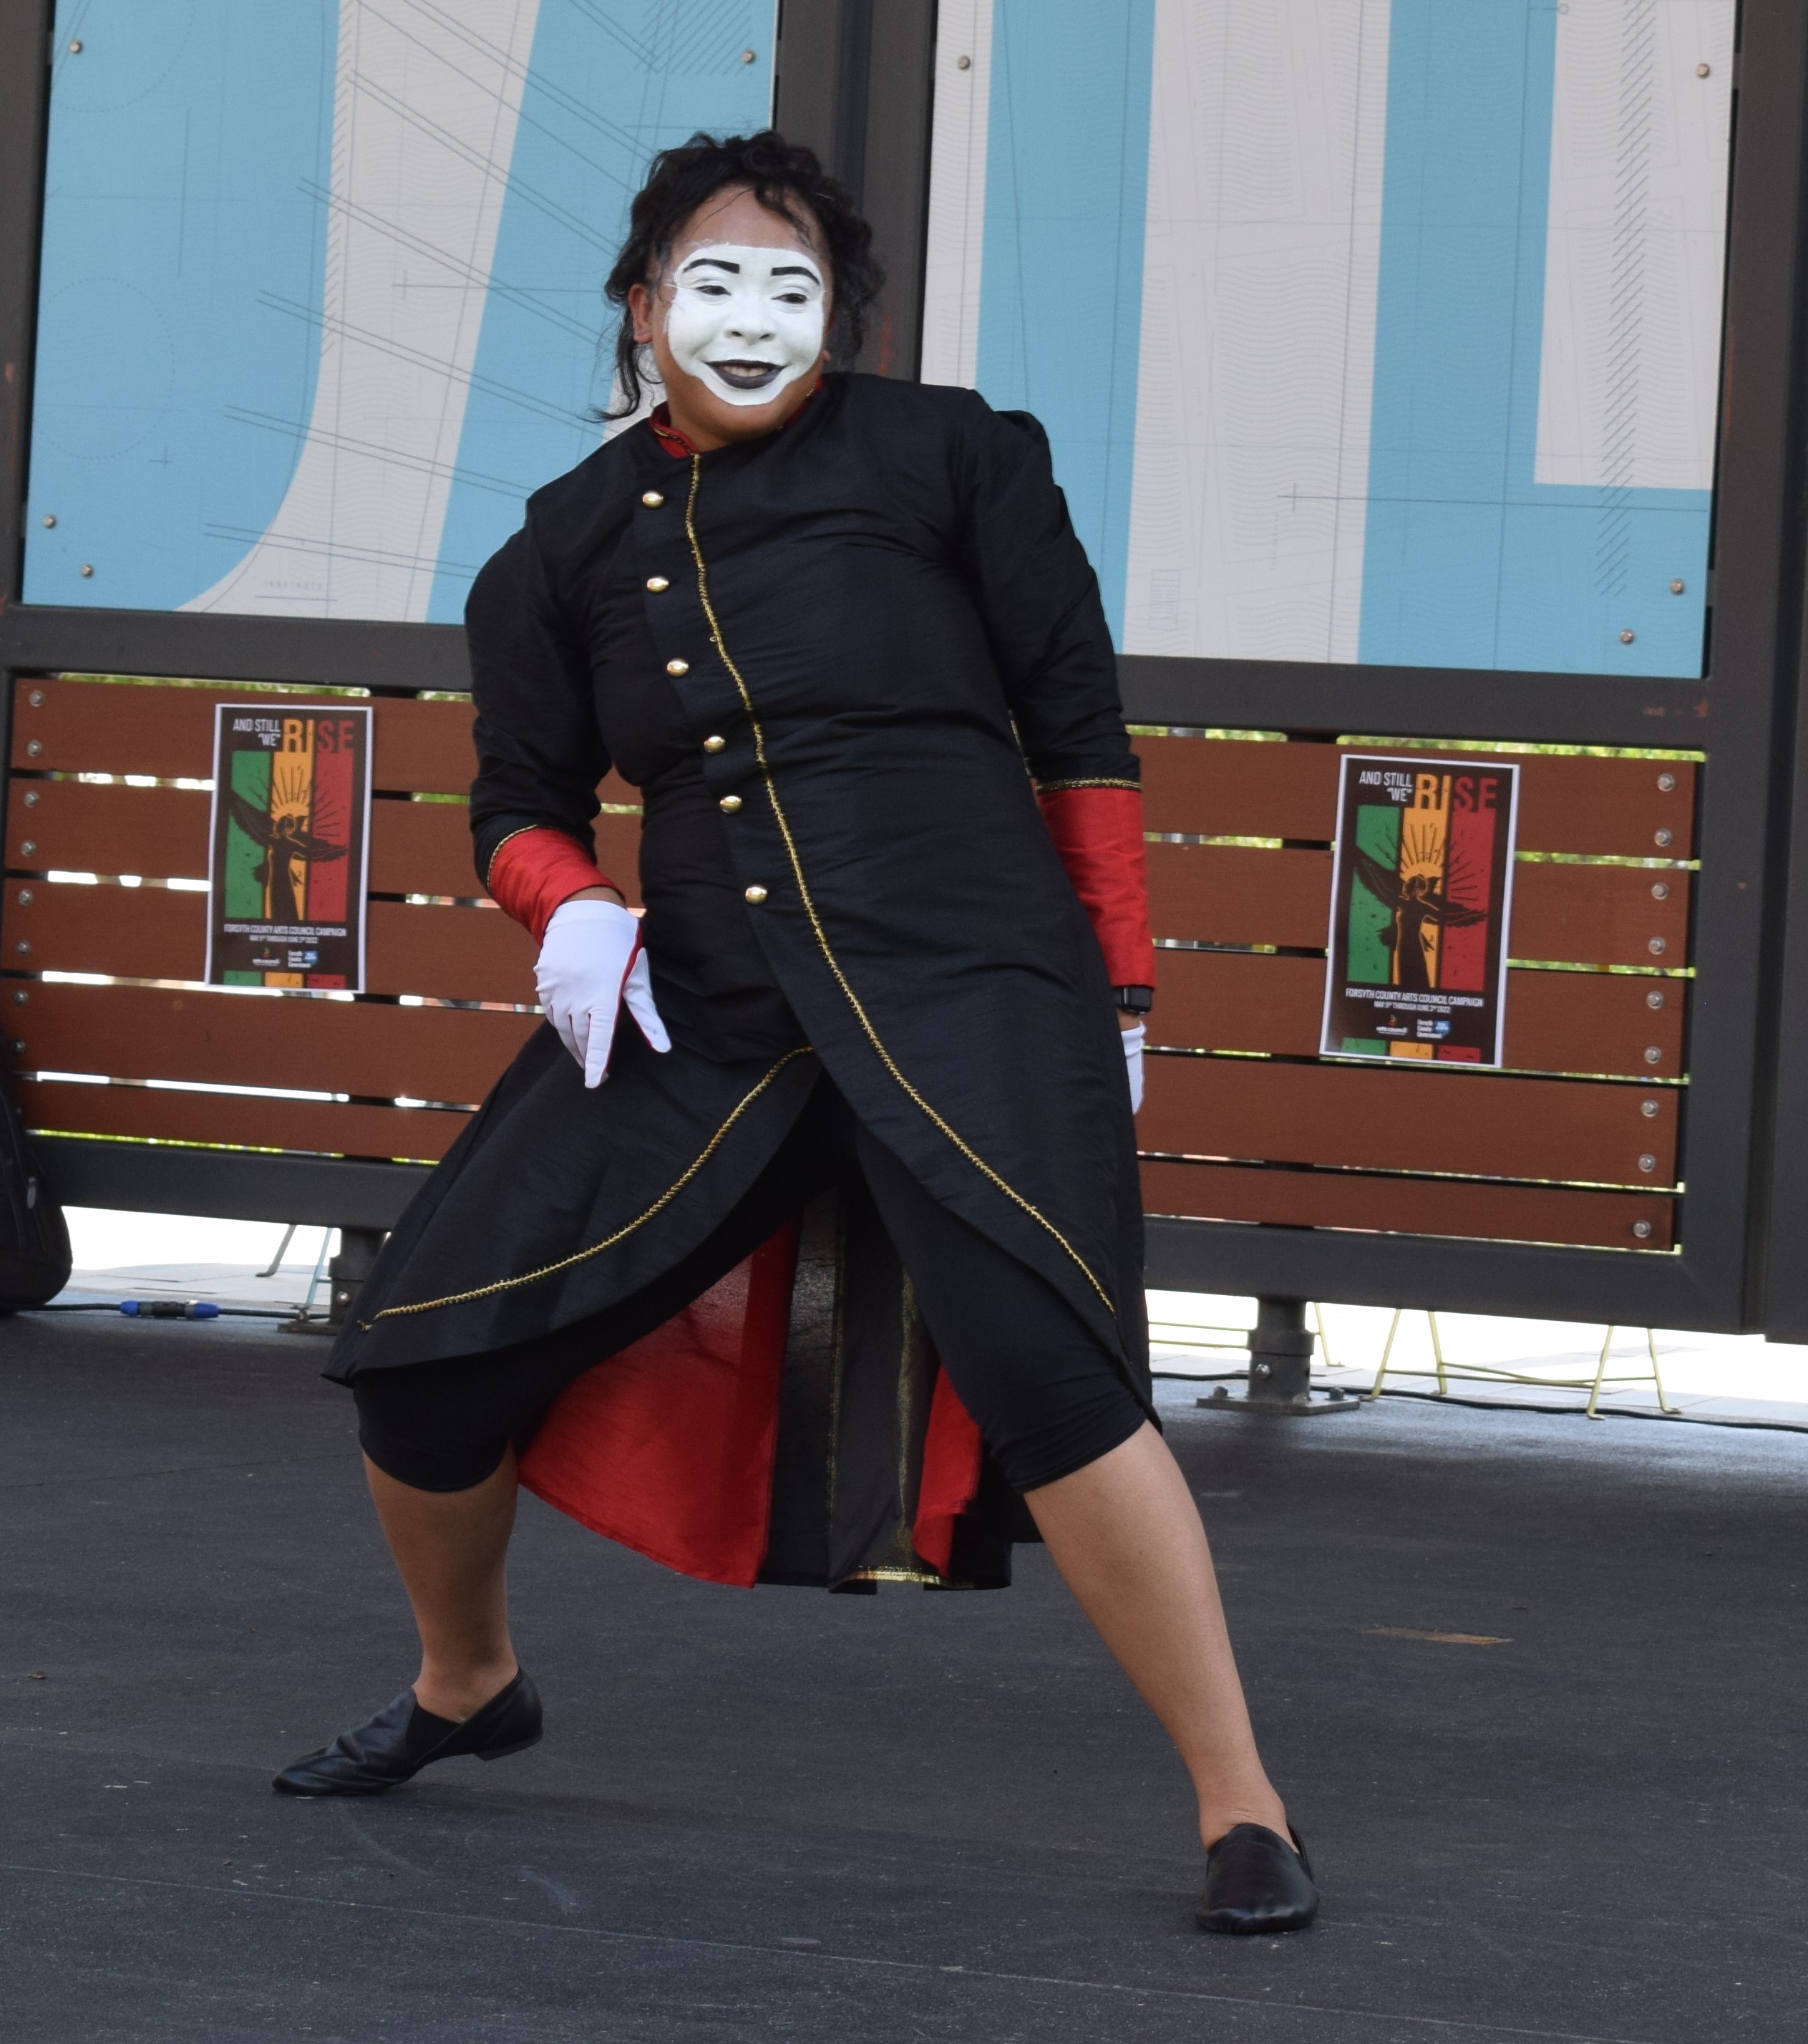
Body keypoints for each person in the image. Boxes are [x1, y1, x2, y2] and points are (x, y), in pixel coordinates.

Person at [274, 130, 1315, 1937]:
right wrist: (564, 902)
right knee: (421, 1361)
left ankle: (1244, 1806)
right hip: (705, 1007)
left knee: (1059, 1381)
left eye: (794, 286)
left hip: (975, 985)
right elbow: (516, 800)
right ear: (642, 306)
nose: (752, 318)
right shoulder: (560, 544)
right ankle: (469, 1681)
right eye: (713, 281)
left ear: (841, 316)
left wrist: (1122, 992)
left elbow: (1081, 736)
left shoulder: (958, 457)